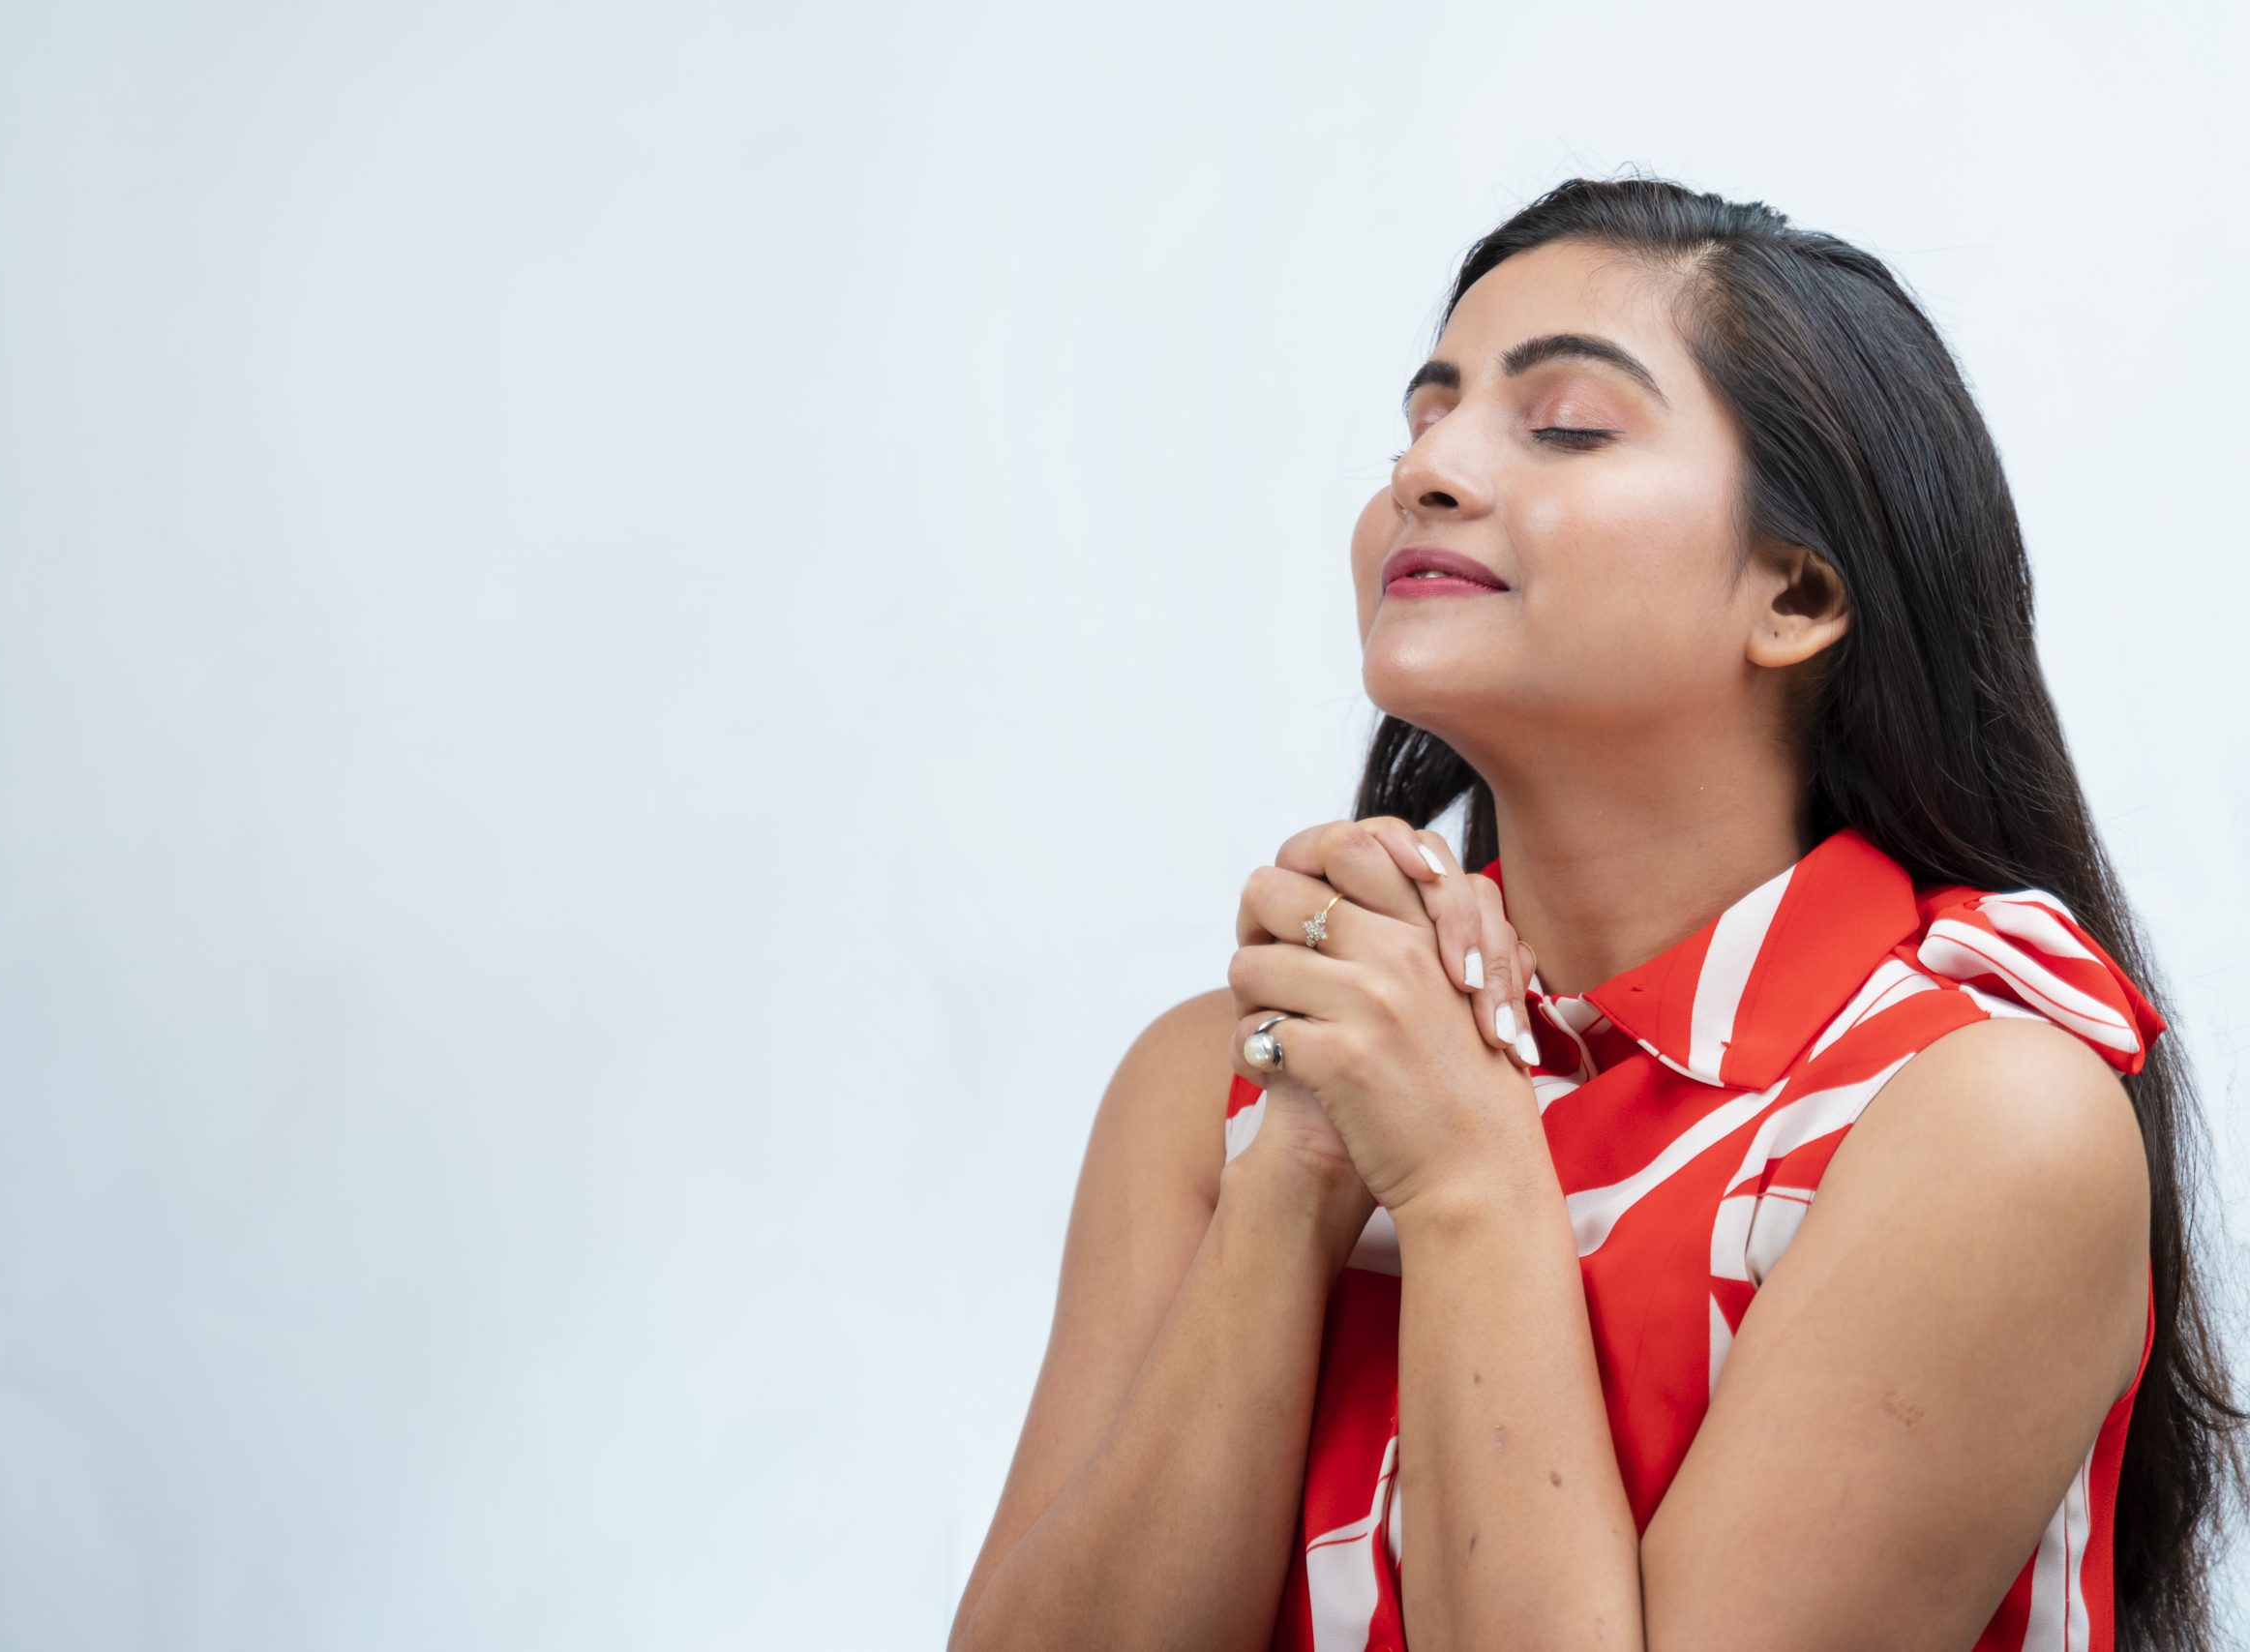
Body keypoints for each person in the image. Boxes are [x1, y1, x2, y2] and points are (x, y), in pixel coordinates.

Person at [946, 175, 2245, 1652]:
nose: (1430, 468)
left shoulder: (1981, 1118)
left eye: (1563, 425)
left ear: (1797, 594)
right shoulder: (1225, 1080)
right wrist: (1300, 1167)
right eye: (1421, 419)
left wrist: (1465, 1180)